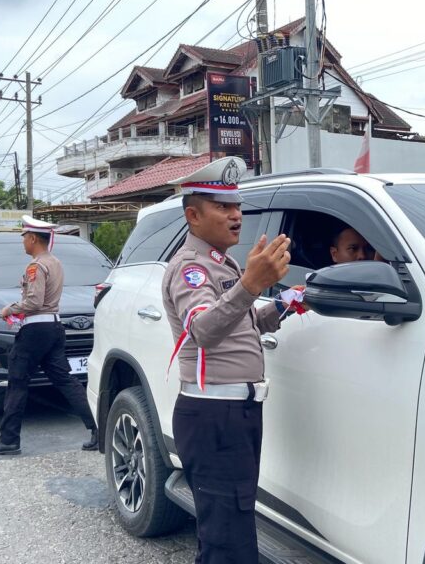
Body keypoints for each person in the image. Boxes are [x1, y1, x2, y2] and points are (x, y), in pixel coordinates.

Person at [163, 156, 302, 563]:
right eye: (222, 207)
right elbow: (203, 330)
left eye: (237, 206)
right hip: (214, 416)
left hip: (234, 413)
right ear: (193, 215)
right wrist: (250, 284)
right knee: (228, 540)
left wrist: (291, 301)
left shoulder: (223, 263)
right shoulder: (190, 269)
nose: (236, 215)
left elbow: (246, 323)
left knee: (230, 527)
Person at [0, 215, 98, 456]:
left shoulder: (36, 266)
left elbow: (34, 302)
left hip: (35, 330)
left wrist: (9, 309)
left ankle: (9, 441)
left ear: (33, 238)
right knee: (66, 381)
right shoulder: (55, 262)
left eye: (24, 237)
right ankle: (98, 430)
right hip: (54, 327)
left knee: (17, 382)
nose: (23, 241)